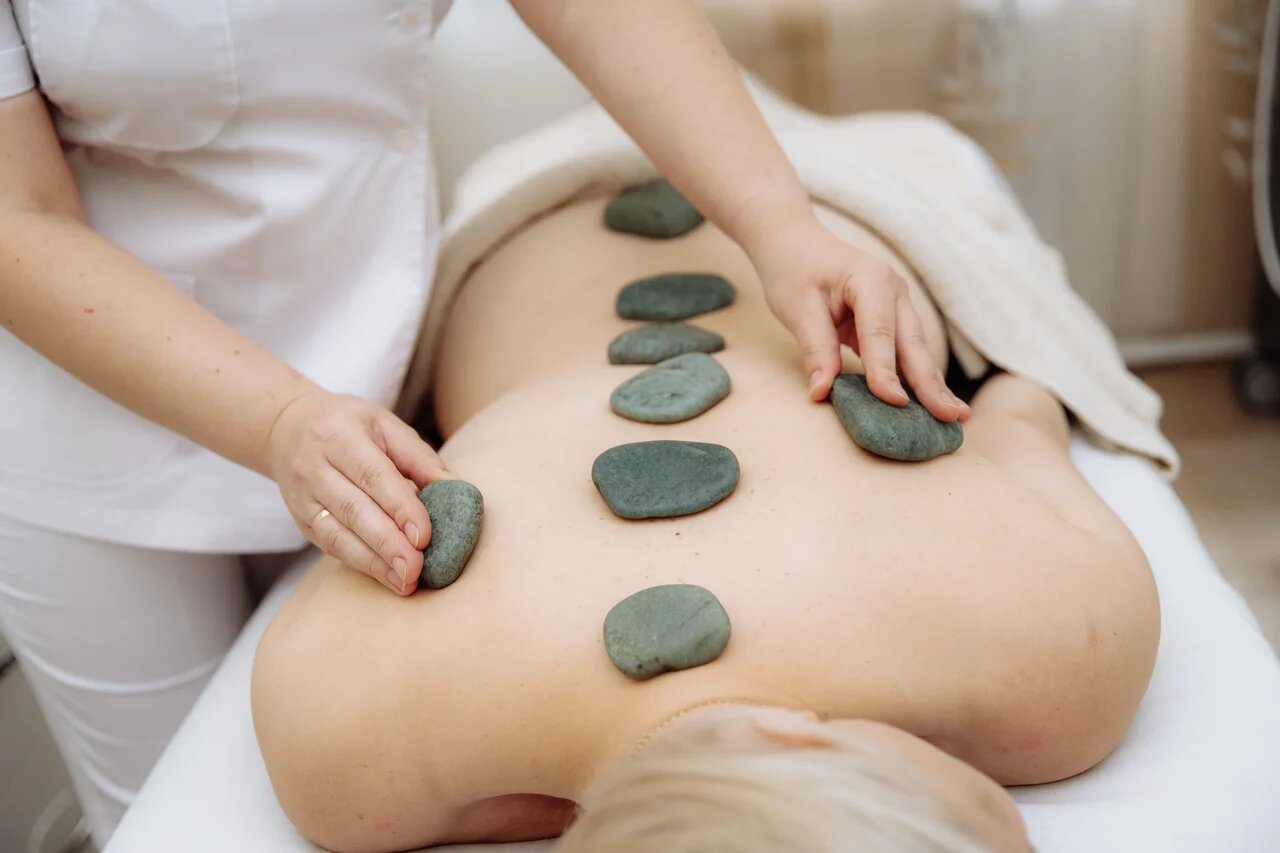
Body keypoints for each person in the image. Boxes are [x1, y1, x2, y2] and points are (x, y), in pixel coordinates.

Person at [0, 2, 973, 843]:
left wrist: (780, 225)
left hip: (384, 371)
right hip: (102, 422)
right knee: (181, 823)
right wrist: (280, 419)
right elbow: (15, 217)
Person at [250, 195, 1160, 852]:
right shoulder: (346, 752)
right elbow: (1028, 408)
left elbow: (1020, 409)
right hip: (530, 231)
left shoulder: (1066, 647)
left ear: (798, 735)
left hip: (811, 195)